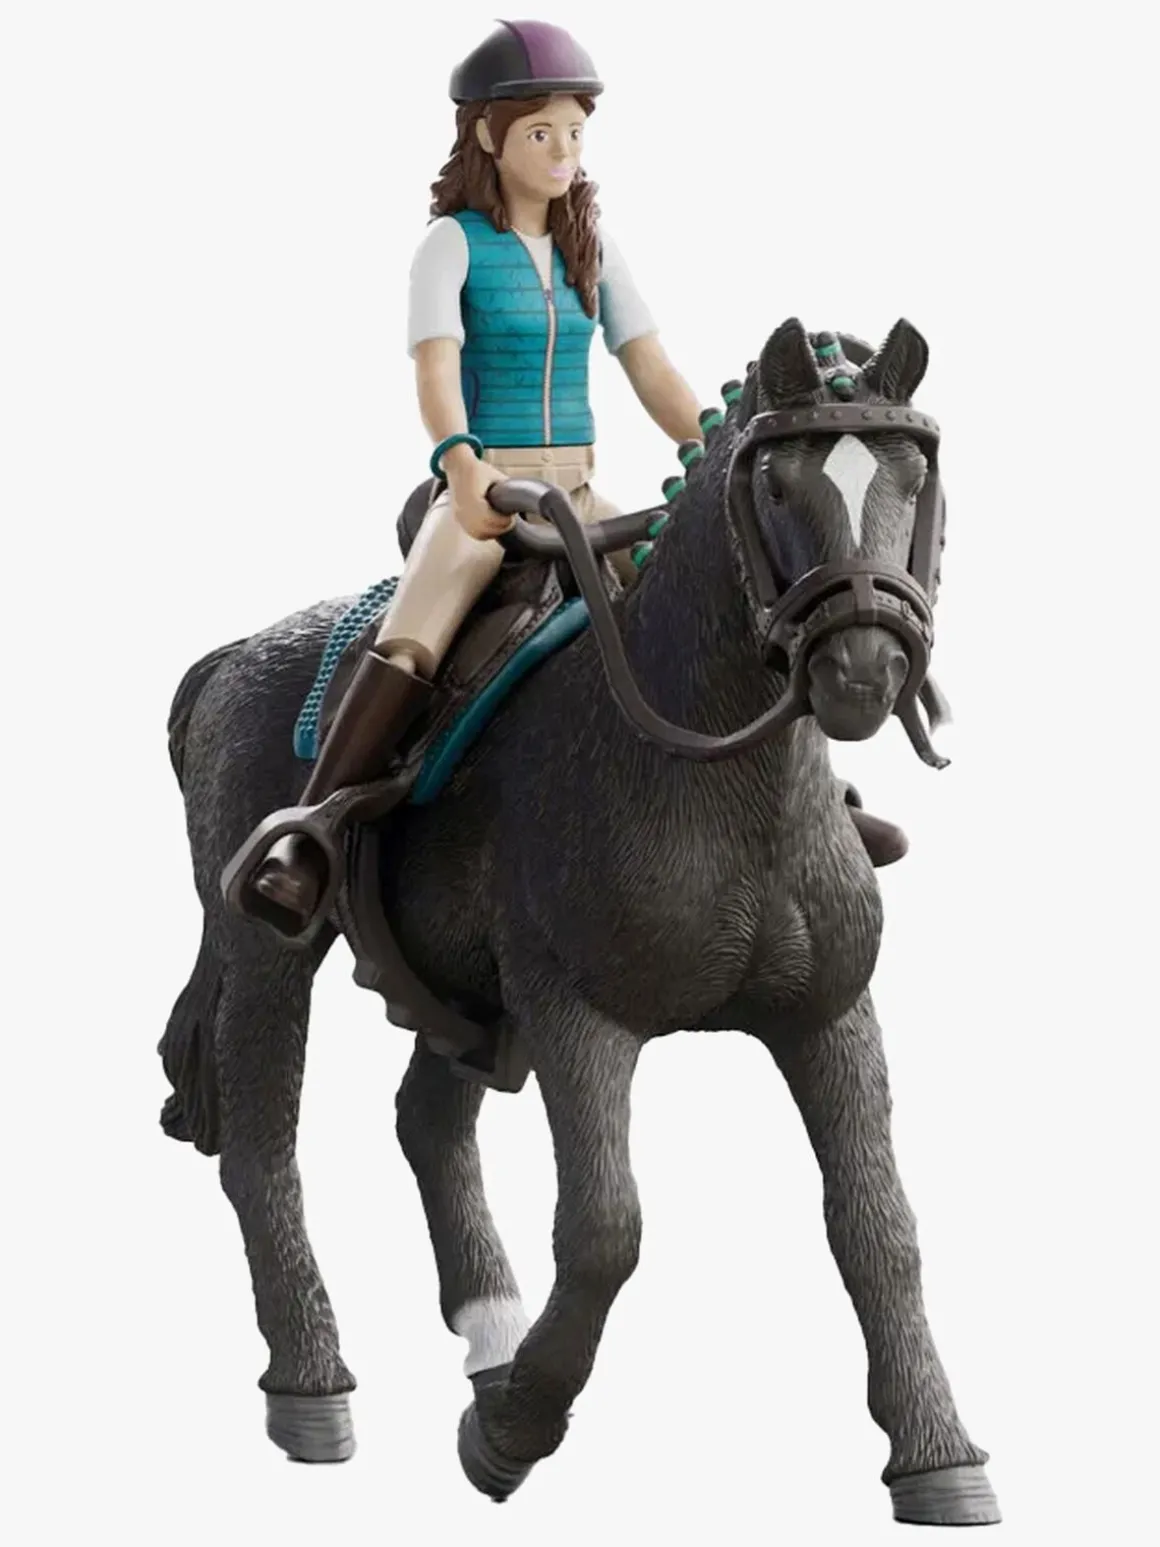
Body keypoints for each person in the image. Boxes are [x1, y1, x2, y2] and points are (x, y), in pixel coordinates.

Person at [249, 19, 706, 930]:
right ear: (490, 139)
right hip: (488, 494)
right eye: (542, 133)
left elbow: (651, 367)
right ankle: (312, 830)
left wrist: (718, 441)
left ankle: (804, 799)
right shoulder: (450, 247)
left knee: (703, 601)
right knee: (415, 634)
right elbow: (436, 369)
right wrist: (461, 466)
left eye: (574, 132)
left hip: (579, 492)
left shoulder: (594, 250)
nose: (564, 152)